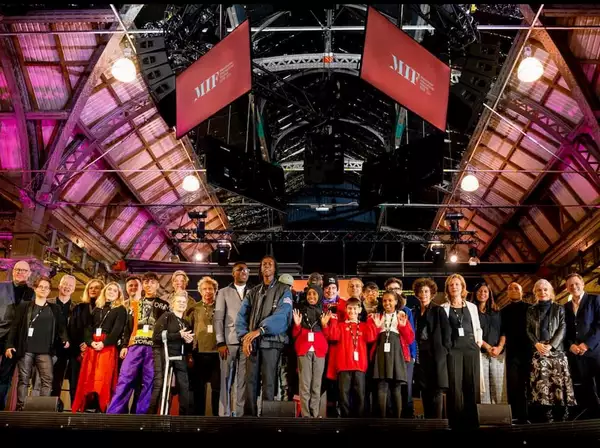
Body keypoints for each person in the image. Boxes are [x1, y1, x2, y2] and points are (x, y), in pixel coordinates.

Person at [235, 255, 293, 416]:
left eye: (270, 264)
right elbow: (241, 317)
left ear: (275, 268)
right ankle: (249, 417)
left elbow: (283, 316)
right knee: (250, 382)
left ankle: (268, 418)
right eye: (264, 264)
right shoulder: (253, 292)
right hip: (252, 344)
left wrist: (261, 330)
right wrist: (244, 337)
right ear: (260, 269)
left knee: (269, 383)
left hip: (272, 343)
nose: (266, 266)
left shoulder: (284, 290)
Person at [5, 276, 69, 411]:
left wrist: (65, 338)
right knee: (24, 379)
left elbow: (61, 327)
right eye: (41, 287)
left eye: (46, 287)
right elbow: (14, 327)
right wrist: (9, 345)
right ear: (35, 288)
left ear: (49, 290)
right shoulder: (25, 306)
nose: (43, 289)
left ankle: (42, 408)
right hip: (26, 348)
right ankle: (21, 407)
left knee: (47, 379)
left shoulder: (55, 308)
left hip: (45, 350)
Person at [72, 282, 127, 412]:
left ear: (119, 294)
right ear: (104, 291)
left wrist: (104, 343)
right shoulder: (97, 308)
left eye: (115, 290)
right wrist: (90, 342)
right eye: (109, 289)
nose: (111, 292)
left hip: (107, 346)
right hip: (92, 346)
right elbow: (88, 328)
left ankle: (101, 407)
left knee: (102, 377)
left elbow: (117, 330)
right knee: (88, 377)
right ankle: (87, 406)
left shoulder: (120, 309)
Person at [527, 279, 576, 422]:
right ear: (535, 293)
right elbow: (528, 330)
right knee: (541, 383)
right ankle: (545, 415)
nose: (542, 292)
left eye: (545, 289)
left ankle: (562, 415)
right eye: (539, 290)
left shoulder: (559, 308)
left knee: (559, 384)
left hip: (557, 351)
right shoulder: (530, 310)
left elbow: (562, 327)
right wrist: (536, 344)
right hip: (539, 351)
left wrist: (551, 345)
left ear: (550, 292)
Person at [323, 297, 378, 417]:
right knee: (343, 396)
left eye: (354, 308)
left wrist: (370, 321)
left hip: (360, 366)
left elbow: (371, 338)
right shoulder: (341, 325)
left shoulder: (364, 325)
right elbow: (333, 337)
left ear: (359, 310)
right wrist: (333, 321)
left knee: (360, 395)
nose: (352, 311)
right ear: (346, 310)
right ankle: (345, 420)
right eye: (349, 308)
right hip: (343, 366)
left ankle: (358, 421)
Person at [370, 291, 415, 418]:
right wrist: (376, 328)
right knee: (382, 384)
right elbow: (370, 338)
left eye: (390, 300)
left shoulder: (401, 316)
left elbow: (410, 339)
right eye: (384, 300)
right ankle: (382, 419)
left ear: (396, 302)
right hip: (381, 353)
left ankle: (397, 419)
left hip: (397, 353)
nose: (387, 303)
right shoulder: (377, 316)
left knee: (396, 386)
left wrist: (403, 326)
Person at [149, 292, 194, 415]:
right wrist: (178, 335)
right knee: (160, 384)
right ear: (173, 304)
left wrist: (188, 341)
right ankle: (151, 415)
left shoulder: (185, 323)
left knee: (184, 386)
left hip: (180, 355)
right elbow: (156, 337)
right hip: (164, 354)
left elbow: (186, 342)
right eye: (179, 301)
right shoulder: (166, 316)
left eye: (184, 302)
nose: (182, 304)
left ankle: (183, 417)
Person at [215, 261, 250, 417]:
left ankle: (240, 414)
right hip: (228, 342)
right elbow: (218, 318)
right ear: (233, 273)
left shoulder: (254, 291)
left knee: (243, 380)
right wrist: (220, 341)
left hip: (247, 342)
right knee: (226, 379)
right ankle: (225, 414)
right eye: (240, 269)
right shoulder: (223, 292)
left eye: (246, 270)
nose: (243, 272)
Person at [564, 273, 600, 419]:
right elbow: (565, 331)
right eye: (570, 285)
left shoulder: (595, 300)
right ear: (567, 288)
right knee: (586, 388)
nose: (574, 287)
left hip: (595, 351)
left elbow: (599, 325)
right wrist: (571, 345)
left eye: (576, 283)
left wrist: (587, 344)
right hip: (577, 354)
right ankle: (593, 419)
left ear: (583, 284)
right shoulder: (565, 307)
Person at [292, 284, 328, 417]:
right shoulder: (300, 311)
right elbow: (294, 334)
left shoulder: (324, 312)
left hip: (319, 351)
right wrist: (297, 325)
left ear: (319, 296)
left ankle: (315, 414)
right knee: (305, 385)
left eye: (314, 294)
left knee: (316, 385)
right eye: (309, 294)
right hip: (303, 349)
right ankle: (306, 415)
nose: (311, 296)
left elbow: (329, 335)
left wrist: (324, 325)